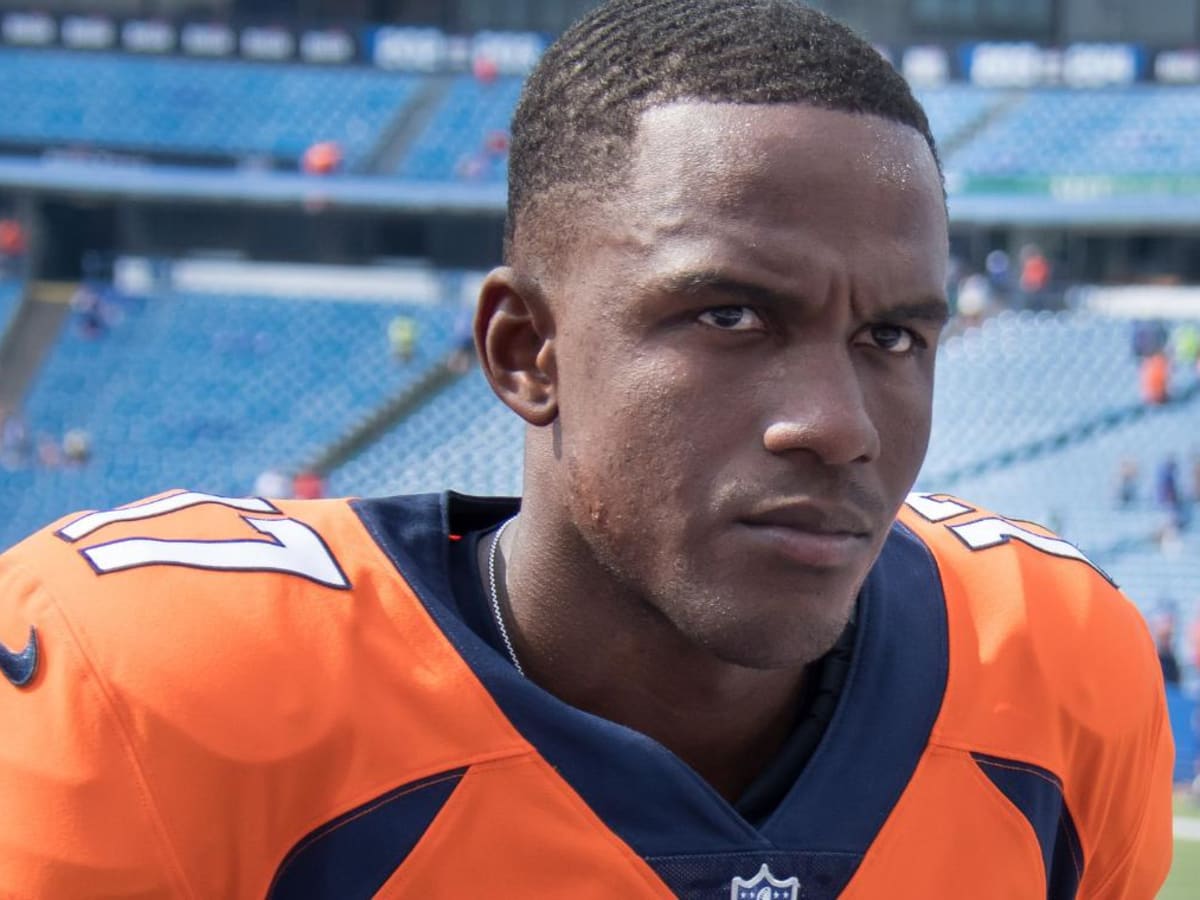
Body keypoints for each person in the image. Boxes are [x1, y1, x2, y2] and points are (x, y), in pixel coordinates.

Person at [0, 1, 1172, 897]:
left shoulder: (1051, 666)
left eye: (893, 335)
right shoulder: (160, 692)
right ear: (526, 352)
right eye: (729, 315)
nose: (836, 423)